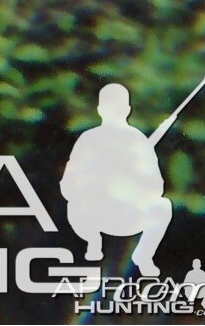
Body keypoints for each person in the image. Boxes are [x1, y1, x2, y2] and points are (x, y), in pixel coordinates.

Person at [62, 82, 175, 274]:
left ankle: (142, 256)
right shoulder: (89, 140)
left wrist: (137, 176)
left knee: (162, 207)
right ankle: (94, 245)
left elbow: (156, 186)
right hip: (94, 213)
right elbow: (69, 184)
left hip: (130, 211)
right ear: (100, 110)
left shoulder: (137, 142)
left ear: (127, 110)